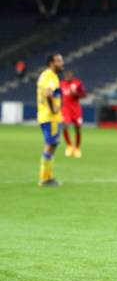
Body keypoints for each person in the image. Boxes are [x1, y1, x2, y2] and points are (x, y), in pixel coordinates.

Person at [37, 53, 64, 186]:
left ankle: (48, 177)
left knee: (51, 145)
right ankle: (45, 178)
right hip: (51, 117)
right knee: (50, 146)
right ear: (51, 63)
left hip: (44, 116)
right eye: (58, 61)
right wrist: (54, 107)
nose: (61, 63)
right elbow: (48, 93)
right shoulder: (51, 76)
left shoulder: (43, 75)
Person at [60, 71, 86, 158]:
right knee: (65, 125)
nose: (67, 76)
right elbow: (58, 95)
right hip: (66, 109)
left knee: (78, 129)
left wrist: (76, 94)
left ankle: (77, 148)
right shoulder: (61, 84)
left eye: (69, 75)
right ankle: (69, 145)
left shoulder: (78, 83)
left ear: (72, 76)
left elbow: (84, 94)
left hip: (76, 109)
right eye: (66, 75)